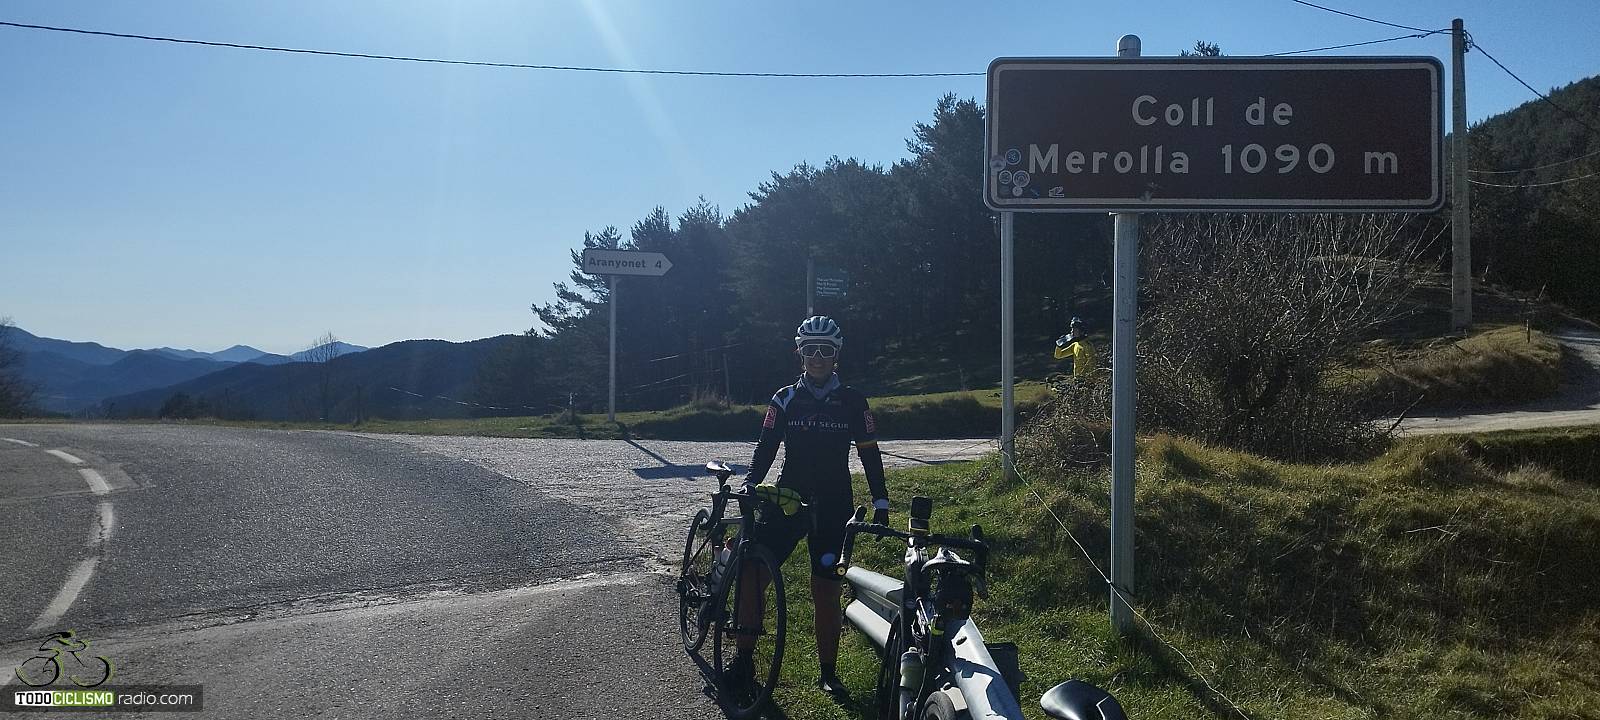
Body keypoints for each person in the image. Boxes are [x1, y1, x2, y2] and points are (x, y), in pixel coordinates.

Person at [738, 315, 889, 696]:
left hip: (834, 505)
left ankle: (827, 673)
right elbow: (766, 446)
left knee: (826, 589)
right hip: (788, 500)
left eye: (825, 350)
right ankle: (743, 658)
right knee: (754, 574)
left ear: (837, 355)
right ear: (799, 354)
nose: (817, 357)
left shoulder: (853, 401)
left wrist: (881, 500)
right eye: (810, 350)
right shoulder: (785, 398)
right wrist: (751, 481)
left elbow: (870, 453)